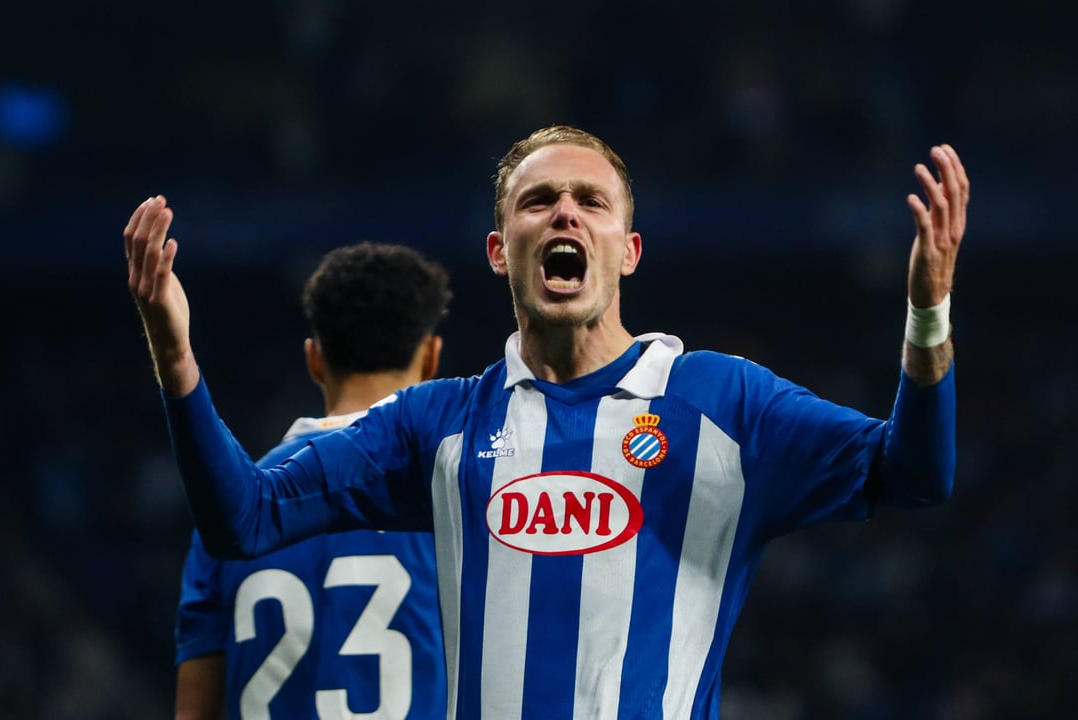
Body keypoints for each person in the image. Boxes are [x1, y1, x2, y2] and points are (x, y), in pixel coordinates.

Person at [125, 125, 968, 719]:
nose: (565, 213)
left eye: (591, 200)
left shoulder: (725, 404)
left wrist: (928, 314)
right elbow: (243, 517)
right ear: (501, 251)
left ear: (627, 250)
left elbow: (915, 474)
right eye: (539, 201)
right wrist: (176, 358)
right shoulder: (438, 423)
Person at [167, 243, 452, 719]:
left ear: (314, 359)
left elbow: (193, 713)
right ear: (431, 358)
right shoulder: (452, 495)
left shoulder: (229, 510)